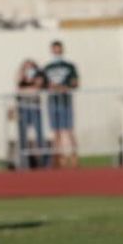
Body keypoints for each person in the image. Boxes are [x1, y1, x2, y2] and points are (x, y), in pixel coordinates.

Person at [42, 40, 80, 168]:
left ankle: (74, 157)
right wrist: (50, 86)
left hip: (65, 101)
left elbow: (75, 83)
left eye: (58, 49)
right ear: (52, 50)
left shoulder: (70, 66)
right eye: (54, 49)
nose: (57, 52)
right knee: (56, 132)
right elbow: (42, 84)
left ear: (62, 50)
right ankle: (58, 159)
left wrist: (64, 87)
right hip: (53, 102)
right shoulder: (47, 68)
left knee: (69, 130)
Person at [14, 59, 47, 169]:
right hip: (23, 107)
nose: (28, 69)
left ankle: (42, 162)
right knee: (23, 136)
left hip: (34, 107)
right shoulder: (21, 77)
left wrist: (29, 86)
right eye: (26, 67)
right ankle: (24, 163)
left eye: (30, 67)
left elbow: (36, 89)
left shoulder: (38, 76)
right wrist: (22, 76)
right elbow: (19, 89)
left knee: (39, 135)